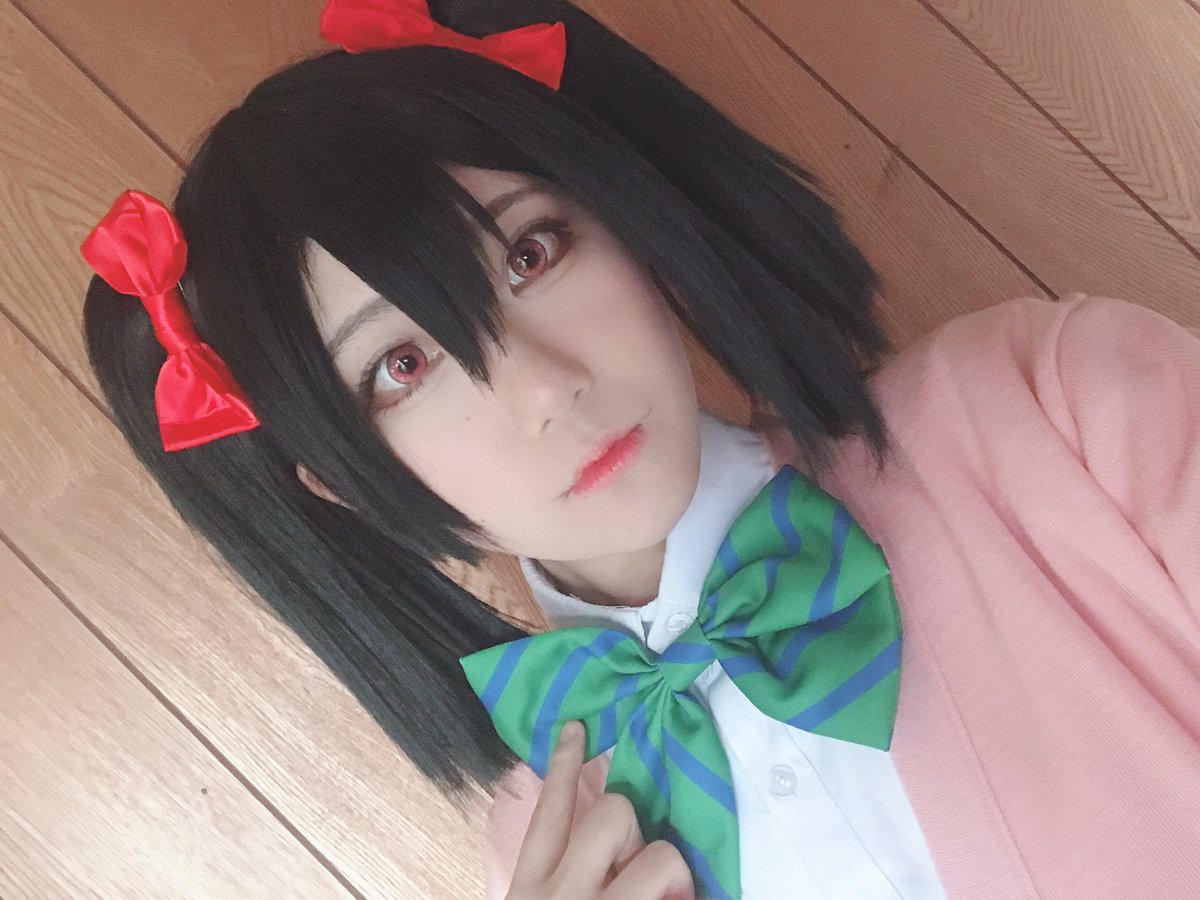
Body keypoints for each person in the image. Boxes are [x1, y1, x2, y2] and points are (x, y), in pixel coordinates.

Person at [79, 1, 1200, 897]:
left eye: (530, 252)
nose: (545, 386)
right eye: (403, 366)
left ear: (624, 218)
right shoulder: (551, 863)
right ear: (337, 482)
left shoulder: (1052, 403)